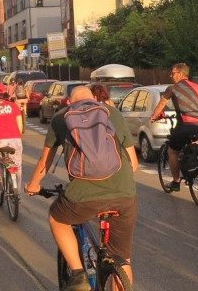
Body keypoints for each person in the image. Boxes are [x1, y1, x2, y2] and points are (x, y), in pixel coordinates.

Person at [25, 86, 139, 290]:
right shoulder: (111, 113)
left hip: (83, 197)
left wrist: (34, 185)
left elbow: (45, 160)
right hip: (124, 195)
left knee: (56, 217)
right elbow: (134, 164)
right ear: (94, 98)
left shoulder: (61, 117)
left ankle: (78, 274)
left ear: (69, 101)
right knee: (122, 257)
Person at [149, 63, 198, 191]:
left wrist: (154, 117)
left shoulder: (172, 88)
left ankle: (176, 182)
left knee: (172, 151)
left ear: (180, 73)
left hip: (185, 125)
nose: (171, 76)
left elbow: (161, 105)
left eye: (173, 73)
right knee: (193, 143)